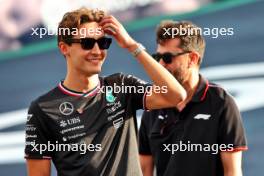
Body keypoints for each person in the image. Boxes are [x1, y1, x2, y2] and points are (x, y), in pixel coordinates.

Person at [24, 8, 187, 176]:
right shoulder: (42, 109)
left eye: (103, 43)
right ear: (64, 48)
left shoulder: (122, 85)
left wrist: (132, 46)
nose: (96, 51)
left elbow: (176, 95)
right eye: (87, 43)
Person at [138, 20, 248, 176]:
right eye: (157, 57)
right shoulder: (152, 105)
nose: (160, 64)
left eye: (168, 58)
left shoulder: (222, 103)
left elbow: (232, 172)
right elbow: (143, 171)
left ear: (192, 59)